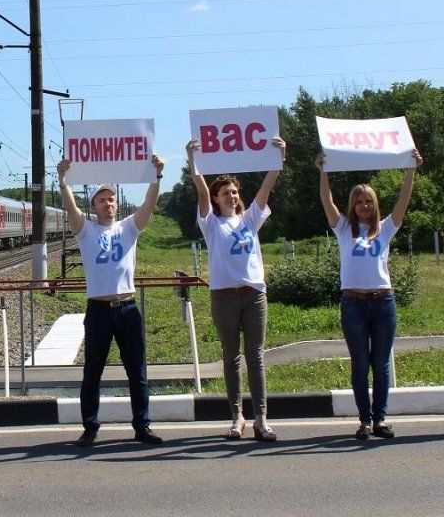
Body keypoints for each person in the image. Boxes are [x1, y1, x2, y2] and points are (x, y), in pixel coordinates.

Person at [57, 153, 166, 447]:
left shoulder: (129, 227)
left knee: (137, 371)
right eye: (102, 200)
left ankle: (142, 426)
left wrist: (157, 176)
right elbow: (70, 208)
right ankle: (90, 427)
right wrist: (63, 181)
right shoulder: (86, 231)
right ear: (94, 206)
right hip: (99, 310)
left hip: (128, 309)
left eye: (111, 199)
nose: (108, 204)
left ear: (117, 204)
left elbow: (149, 205)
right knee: (92, 371)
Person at [186, 136, 286, 442]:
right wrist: (193, 161)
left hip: (254, 295)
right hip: (224, 296)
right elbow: (201, 190)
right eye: (225, 193)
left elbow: (266, 189)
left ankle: (261, 418)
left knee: (254, 356)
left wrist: (278, 159)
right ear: (216, 199)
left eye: (233, 192)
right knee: (231, 357)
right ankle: (236, 416)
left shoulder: (249, 219)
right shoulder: (211, 223)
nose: (230, 196)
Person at [317, 149, 422, 439]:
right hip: (353, 304)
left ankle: (380, 420)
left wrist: (411, 170)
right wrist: (323, 172)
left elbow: (403, 201)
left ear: (375, 204)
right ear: (353, 205)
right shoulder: (343, 228)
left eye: (368, 201)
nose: (364, 205)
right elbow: (327, 201)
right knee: (360, 363)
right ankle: (364, 420)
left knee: (381, 363)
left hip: (383, 302)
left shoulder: (385, 228)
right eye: (359, 201)